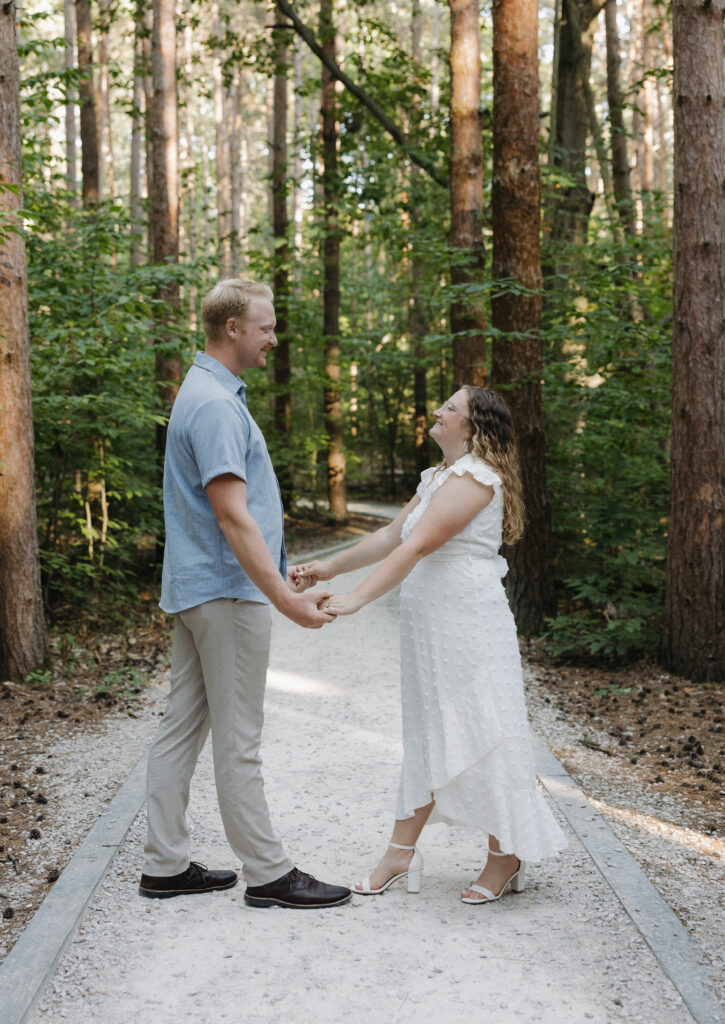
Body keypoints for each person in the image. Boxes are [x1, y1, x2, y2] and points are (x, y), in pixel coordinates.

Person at [297, 386, 566, 904]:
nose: (438, 412)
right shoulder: (438, 476)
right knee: (427, 728)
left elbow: (421, 545)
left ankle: (504, 854)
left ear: (472, 428)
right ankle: (401, 851)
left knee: (482, 726)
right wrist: (327, 568)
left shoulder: (476, 479)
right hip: (430, 623)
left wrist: (359, 598)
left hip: (468, 621)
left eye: (450, 408)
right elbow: (394, 536)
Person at [139, 279, 351, 910]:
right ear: (232, 328)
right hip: (226, 595)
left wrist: (278, 577)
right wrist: (285, 601)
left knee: (182, 727)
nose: (273, 338)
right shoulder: (213, 404)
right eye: (266, 326)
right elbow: (233, 517)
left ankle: (164, 865)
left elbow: (234, 513)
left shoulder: (206, 393)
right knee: (239, 739)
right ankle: (268, 873)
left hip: (203, 588)